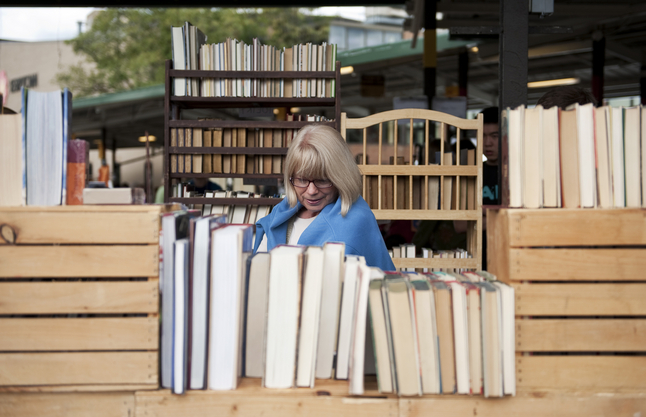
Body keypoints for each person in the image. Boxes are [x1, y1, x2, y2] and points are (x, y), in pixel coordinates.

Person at [254, 124, 395, 271]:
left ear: (341, 177)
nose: (311, 191)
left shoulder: (357, 221)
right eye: (302, 180)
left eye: (322, 180)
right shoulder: (283, 211)